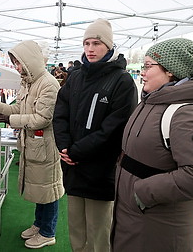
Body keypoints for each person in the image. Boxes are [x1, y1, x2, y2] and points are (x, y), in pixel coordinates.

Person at [111, 38, 193, 252]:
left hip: (158, 223)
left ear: (171, 70)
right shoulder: (154, 100)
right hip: (135, 216)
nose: (142, 72)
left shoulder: (186, 113)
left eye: (148, 66)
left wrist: (142, 192)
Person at [52, 18, 138, 252]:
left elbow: (115, 129)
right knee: (76, 230)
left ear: (109, 46)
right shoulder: (76, 77)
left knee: (100, 233)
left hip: (101, 172)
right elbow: (60, 114)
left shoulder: (123, 82)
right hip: (73, 169)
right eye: (86, 43)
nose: (90, 49)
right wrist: (65, 146)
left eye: (96, 43)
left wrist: (76, 151)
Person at [0, 40, 64, 249]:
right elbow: (19, 107)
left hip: (45, 147)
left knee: (49, 191)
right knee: (39, 190)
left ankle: (48, 232)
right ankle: (39, 225)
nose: (16, 67)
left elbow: (42, 119)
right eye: (15, 63)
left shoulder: (49, 84)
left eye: (18, 63)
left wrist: (10, 121)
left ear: (29, 61)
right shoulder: (28, 81)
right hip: (32, 146)